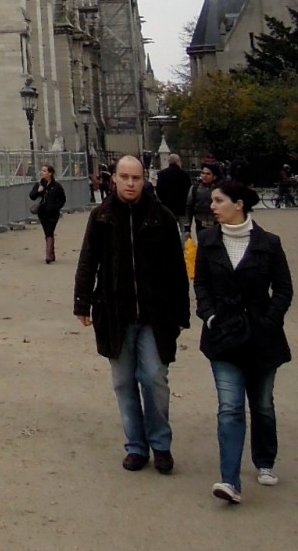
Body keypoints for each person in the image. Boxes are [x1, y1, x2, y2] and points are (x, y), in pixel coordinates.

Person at [73, 155, 191, 473]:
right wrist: (82, 303)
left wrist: (182, 311)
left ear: (143, 180)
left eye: (135, 178)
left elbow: (177, 268)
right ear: (114, 179)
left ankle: (161, 443)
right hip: (114, 312)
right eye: (124, 177)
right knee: (124, 382)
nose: (129, 183)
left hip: (155, 313)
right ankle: (136, 446)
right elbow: (88, 260)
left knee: (153, 377)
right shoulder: (101, 216)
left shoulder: (161, 217)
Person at [194, 178, 292, 505]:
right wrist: (209, 316)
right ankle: (229, 480)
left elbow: (283, 289)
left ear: (239, 204)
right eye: (212, 201)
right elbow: (202, 286)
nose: (212, 206)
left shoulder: (269, 243)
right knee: (230, 408)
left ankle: (264, 461)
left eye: (219, 200)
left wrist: (269, 320)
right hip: (223, 335)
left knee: (262, 405)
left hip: (263, 337)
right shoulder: (207, 241)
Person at [29, 163, 66, 263]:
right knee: (47, 232)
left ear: (50, 173)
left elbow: (62, 199)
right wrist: (38, 191)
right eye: (42, 170)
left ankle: (48, 255)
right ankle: (52, 253)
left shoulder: (56, 186)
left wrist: (55, 207)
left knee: (50, 231)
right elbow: (31, 196)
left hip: (53, 214)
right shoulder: (39, 184)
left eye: (45, 171)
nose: (42, 172)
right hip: (42, 213)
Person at [187, 160, 223, 237]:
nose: (204, 176)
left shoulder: (221, 189)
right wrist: (187, 228)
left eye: (208, 174)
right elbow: (189, 207)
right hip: (200, 225)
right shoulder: (195, 188)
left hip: (218, 224)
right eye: (203, 173)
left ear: (214, 176)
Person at [154, 153, 191, 230]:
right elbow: (189, 191)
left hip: (167, 208)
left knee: (168, 230)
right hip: (182, 208)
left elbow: (158, 191)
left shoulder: (161, 174)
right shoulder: (184, 175)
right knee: (184, 230)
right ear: (178, 162)